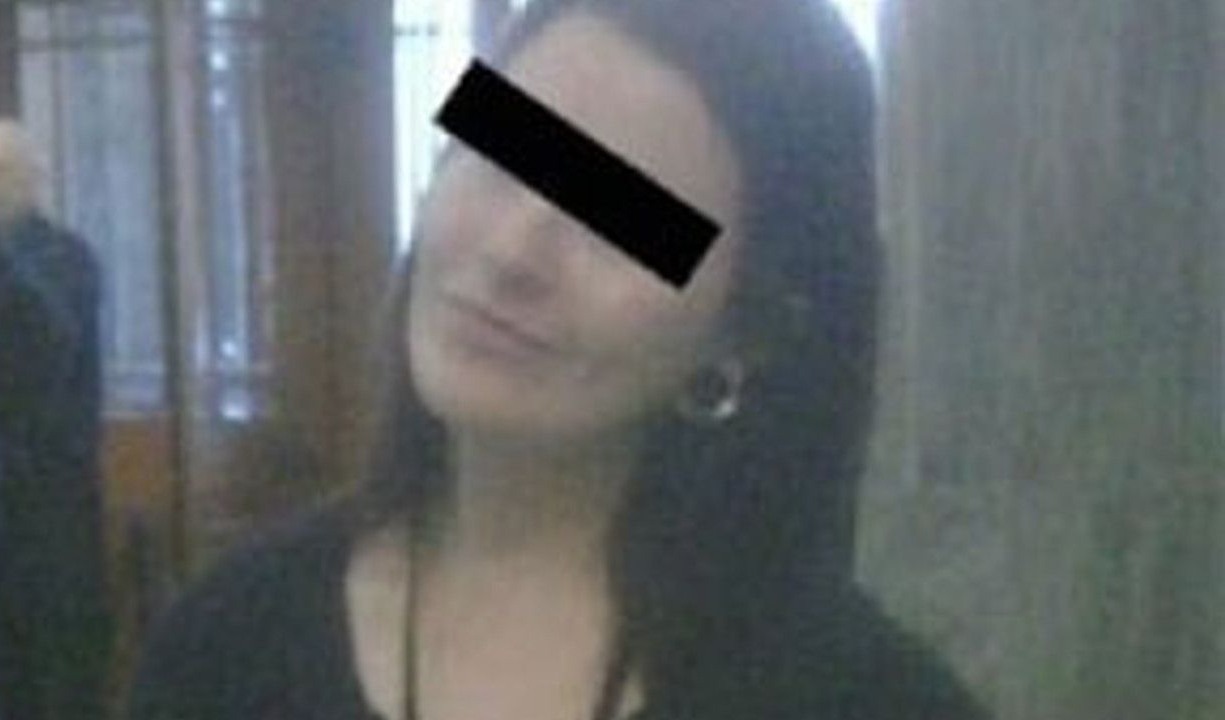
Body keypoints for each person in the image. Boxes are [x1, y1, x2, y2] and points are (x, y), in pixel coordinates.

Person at [128, 1, 989, 719]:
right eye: (499, 158)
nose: (512, 253)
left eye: (620, 220)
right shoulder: (231, 644)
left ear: (747, 333)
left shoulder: (859, 698)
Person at [0, 119, 114, 720]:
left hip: (49, 501)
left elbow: (43, 351)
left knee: (49, 669)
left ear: (34, 178)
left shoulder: (66, 260)